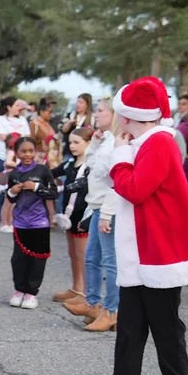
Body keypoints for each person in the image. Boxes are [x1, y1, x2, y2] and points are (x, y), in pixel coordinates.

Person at [77, 77, 188, 375]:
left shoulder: (158, 142)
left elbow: (136, 190)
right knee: (130, 330)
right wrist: (123, 157)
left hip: (158, 255)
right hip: (140, 255)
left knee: (165, 328)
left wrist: (121, 157)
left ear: (128, 115)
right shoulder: (144, 141)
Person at [64, 99, 120, 332]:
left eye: (100, 111)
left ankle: (112, 311)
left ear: (114, 114)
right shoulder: (104, 139)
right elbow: (92, 168)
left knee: (110, 261)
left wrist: (107, 212)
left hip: (109, 208)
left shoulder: (118, 142)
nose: (95, 115)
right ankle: (93, 304)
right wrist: (95, 144)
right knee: (91, 258)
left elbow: (116, 180)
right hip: (96, 205)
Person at [6, 136, 58, 309]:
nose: (27, 154)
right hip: (20, 223)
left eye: (31, 151)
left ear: (35, 152)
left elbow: (53, 193)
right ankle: (19, 289)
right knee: (18, 259)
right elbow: (10, 199)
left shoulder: (43, 170)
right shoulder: (14, 174)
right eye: (23, 151)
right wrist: (12, 191)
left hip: (40, 223)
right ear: (16, 153)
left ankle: (31, 292)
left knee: (37, 259)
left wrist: (36, 187)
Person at [50, 129, 93, 304]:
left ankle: (86, 294)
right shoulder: (69, 164)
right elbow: (51, 173)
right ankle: (76, 288)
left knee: (83, 255)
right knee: (73, 253)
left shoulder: (91, 166)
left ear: (88, 143)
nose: (72, 146)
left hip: (84, 215)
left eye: (77, 142)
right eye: (71, 142)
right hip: (70, 215)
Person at [0, 97, 30, 232]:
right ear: (8, 106)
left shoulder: (23, 120)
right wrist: (14, 140)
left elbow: (27, 138)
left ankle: (12, 219)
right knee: (4, 189)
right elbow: (2, 136)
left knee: (15, 190)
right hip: (2, 157)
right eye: (16, 105)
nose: (19, 107)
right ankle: (1, 218)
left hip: (19, 159)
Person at [31, 98, 57, 163]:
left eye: (52, 112)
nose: (51, 115)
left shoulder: (49, 124)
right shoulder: (34, 124)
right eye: (49, 112)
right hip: (39, 158)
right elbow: (31, 141)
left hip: (50, 157)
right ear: (41, 112)